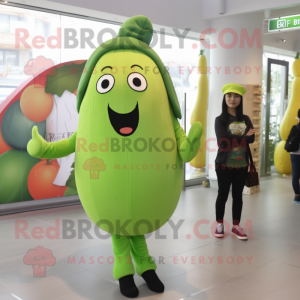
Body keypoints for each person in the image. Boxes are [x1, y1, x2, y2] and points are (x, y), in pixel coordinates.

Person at [214, 83, 255, 240]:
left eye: (236, 96)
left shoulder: (246, 118)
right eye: (229, 95)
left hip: (242, 164)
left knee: (238, 195)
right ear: (225, 98)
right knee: (222, 194)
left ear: (240, 99)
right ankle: (219, 224)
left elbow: (251, 139)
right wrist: (243, 136)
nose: (232, 99)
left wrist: (239, 137)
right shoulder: (220, 120)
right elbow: (222, 142)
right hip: (224, 164)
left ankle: (236, 226)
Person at [286, 109, 300, 203]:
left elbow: (288, 140)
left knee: (295, 175)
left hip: (295, 154)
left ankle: (297, 196)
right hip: (295, 154)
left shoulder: (295, 127)